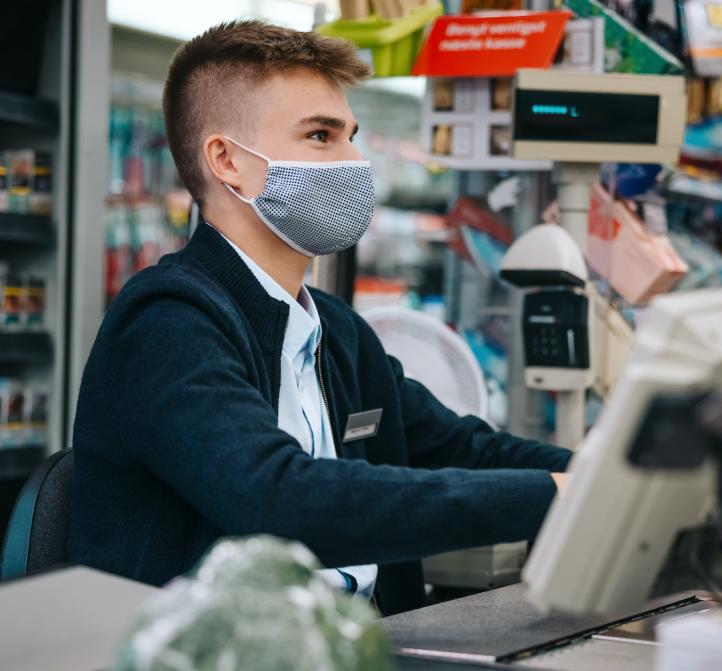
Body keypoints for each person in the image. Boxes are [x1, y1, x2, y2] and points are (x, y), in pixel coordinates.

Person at [69, 21, 572, 615]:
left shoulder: (337, 333)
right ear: (227, 159)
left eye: (350, 136)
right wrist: (551, 496)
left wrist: (606, 477)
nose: (354, 162)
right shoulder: (165, 323)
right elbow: (278, 499)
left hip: (355, 657)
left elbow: (465, 449)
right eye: (320, 135)